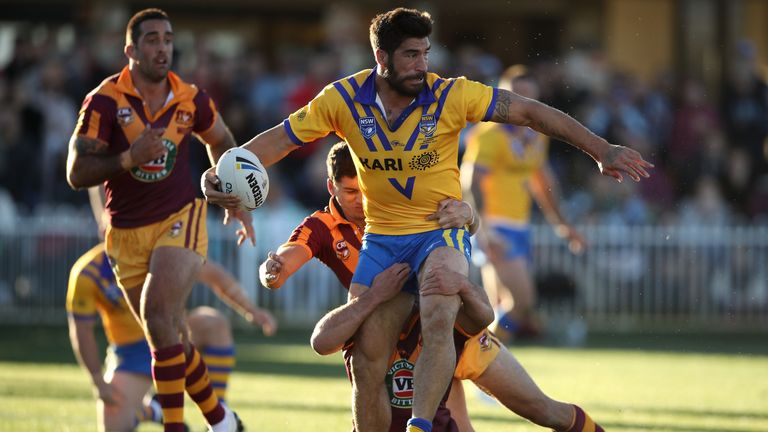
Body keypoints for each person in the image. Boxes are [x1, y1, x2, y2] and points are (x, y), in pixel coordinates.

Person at [203, 8, 651, 432]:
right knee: (365, 359)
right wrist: (227, 174)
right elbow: (279, 141)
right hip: (384, 243)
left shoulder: (451, 94)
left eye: (425, 54)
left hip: (439, 236)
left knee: (451, 317)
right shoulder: (341, 100)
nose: (421, 64)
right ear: (381, 57)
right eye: (410, 55)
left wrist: (601, 149)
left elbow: (530, 112)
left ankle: (420, 426)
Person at [261, 142, 603, 432]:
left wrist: (469, 214)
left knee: (541, 409)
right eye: (350, 192)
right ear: (330, 187)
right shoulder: (322, 226)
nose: (360, 201)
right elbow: (286, 260)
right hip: (397, 341)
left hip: (447, 326)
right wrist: (272, 271)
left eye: (365, 190)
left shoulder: (402, 204)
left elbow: (462, 224)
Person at [65, 8, 253, 432]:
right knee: (166, 334)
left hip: (180, 215)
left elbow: (221, 140)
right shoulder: (104, 100)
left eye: (167, 39)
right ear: (130, 49)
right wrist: (129, 158)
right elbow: (76, 173)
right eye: (152, 40)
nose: (162, 47)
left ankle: (174, 427)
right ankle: (222, 421)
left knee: (156, 312)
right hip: (125, 234)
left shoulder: (191, 97)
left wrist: (234, 196)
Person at [67, 244, 276, 431]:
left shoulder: (159, 249)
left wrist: (252, 310)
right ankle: (155, 410)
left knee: (214, 324)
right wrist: (97, 380)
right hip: (130, 352)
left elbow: (214, 275)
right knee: (113, 427)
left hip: (175, 334)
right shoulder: (88, 271)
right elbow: (81, 330)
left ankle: (218, 415)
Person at [460, 65, 587, 343]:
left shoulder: (535, 137)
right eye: (517, 97)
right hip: (496, 227)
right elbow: (470, 183)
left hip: (520, 226)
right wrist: (483, 229)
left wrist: (564, 226)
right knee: (522, 302)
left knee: (499, 309)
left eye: (529, 98)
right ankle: (474, 360)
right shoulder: (488, 135)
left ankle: (483, 372)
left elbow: (542, 183)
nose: (523, 105)